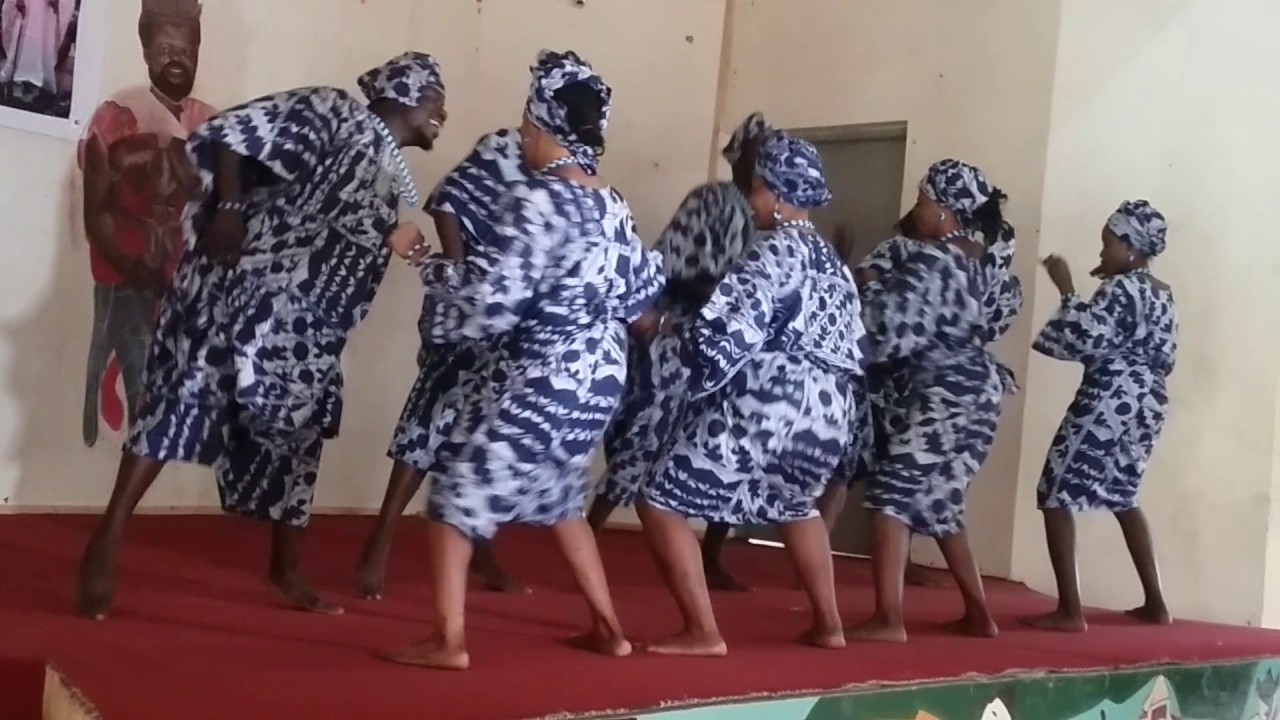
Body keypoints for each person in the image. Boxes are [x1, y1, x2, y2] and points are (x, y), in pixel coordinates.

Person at [74, 52, 450, 620]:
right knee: (175, 408)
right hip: (241, 299)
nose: (442, 116)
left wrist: (401, 244)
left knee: (301, 436)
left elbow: (339, 226)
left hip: (304, 332)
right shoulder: (333, 110)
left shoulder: (386, 166)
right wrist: (226, 207)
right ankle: (105, 543)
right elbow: (232, 134)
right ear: (406, 96)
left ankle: (285, 570)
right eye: (436, 103)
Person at [378, 50, 661, 671]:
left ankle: (448, 641)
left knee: (454, 495)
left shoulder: (536, 200)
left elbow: (488, 300)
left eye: (527, 129)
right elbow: (642, 302)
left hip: (548, 373)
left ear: (541, 130)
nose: (523, 140)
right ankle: (609, 629)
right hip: (599, 376)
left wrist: (419, 255)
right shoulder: (612, 204)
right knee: (562, 499)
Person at [637, 131, 866, 656]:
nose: (752, 200)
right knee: (797, 505)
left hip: (772, 398)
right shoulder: (833, 264)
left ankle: (702, 631)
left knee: (659, 498)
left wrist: (670, 330)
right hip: (831, 409)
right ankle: (830, 626)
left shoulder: (772, 253)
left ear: (779, 195)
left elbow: (728, 333)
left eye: (758, 190)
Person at [586, 111, 768, 593]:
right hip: (669, 336)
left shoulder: (762, 217)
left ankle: (707, 556)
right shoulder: (715, 201)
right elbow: (677, 269)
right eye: (759, 150)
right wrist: (732, 298)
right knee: (643, 436)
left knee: (716, 445)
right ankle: (586, 538)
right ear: (741, 157)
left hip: (715, 347)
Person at [356, 126, 529, 600]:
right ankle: (379, 545)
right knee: (422, 435)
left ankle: (483, 553)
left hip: (496, 334)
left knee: (478, 444)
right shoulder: (460, 197)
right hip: (460, 331)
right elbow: (460, 277)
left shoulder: (519, 207)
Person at [850, 159, 1020, 643]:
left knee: (889, 495)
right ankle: (978, 615)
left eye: (925, 202)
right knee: (942, 501)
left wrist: (864, 292)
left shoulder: (932, 260)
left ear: (946, 210)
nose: (918, 210)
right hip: (978, 389)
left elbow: (888, 329)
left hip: (946, 388)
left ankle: (888, 619)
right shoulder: (982, 258)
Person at [1024, 200, 1177, 633]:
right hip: (1150, 402)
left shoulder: (1120, 290)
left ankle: (1070, 612)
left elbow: (1085, 339)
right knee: (1123, 493)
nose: (1102, 252)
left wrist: (1068, 289)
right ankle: (1156, 604)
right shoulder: (1162, 293)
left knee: (1054, 490)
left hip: (1112, 397)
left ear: (1130, 247)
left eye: (1108, 244)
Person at [79, 0, 215, 448]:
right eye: (162, 48)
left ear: (198, 47)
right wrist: (130, 266)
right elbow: (96, 211)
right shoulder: (117, 114)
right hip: (127, 273)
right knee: (140, 384)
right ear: (144, 49)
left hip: (183, 279)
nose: (174, 58)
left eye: (184, 48)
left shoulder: (212, 121)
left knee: (179, 387)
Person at [820, 212, 953, 589]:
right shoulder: (898, 249)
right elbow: (864, 282)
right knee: (846, 469)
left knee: (893, 472)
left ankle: (900, 562)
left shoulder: (943, 259)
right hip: (875, 377)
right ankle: (818, 551)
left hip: (906, 379)